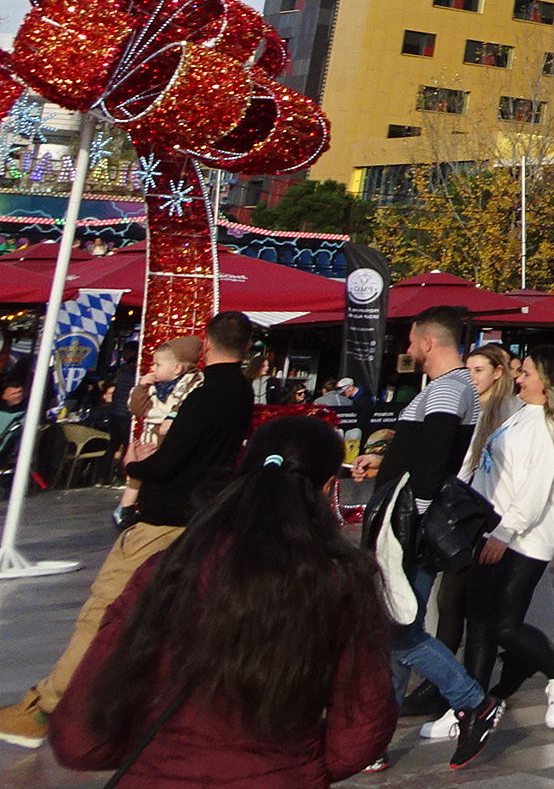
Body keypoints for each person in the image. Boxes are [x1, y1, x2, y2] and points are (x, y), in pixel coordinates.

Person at [49, 415, 395, 789]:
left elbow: (80, 736)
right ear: (327, 487)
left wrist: (159, 758)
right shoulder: (338, 582)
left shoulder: (169, 568)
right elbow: (360, 730)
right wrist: (297, 765)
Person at [0, 309, 259, 750]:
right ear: (247, 347)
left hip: (163, 519)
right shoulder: (241, 392)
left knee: (104, 610)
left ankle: (44, 708)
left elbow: (170, 461)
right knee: (174, 622)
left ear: (207, 343)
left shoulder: (207, 394)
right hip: (203, 517)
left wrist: (135, 464)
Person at [352, 308, 488, 742]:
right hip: (410, 520)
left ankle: (472, 701)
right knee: (394, 628)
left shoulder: (447, 389)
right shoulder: (451, 387)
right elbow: (423, 455)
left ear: (428, 342)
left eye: (411, 341)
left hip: (409, 526)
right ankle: (378, 737)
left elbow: (432, 464)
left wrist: (413, 521)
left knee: (398, 629)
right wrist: (384, 462)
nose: (408, 349)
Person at [456, 345, 554, 763]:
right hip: (492, 531)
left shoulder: (548, 427)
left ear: (547, 381)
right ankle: (471, 707)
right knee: (478, 621)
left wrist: (503, 532)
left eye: (527, 373)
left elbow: (534, 492)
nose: (519, 378)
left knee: (504, 625)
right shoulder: (520, 415)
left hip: (523, 540)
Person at [118, 336, 205, 525]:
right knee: (139, 470)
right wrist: (142, 387)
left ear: (177, 368)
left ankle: (145, 507)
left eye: (158, 365)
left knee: (157, 470)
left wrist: (171, 417)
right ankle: (126, 507)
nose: (153, 368)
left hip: (172, 436)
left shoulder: (194, 383)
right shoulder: (153, 387)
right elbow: (137, 408)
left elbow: (187, 404)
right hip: (151, 432)